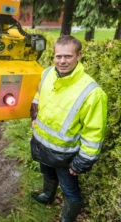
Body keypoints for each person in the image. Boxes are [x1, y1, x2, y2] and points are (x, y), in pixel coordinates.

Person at [30, 35, 107, 222]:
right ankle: (47, 196)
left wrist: (83, 161)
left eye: (68, 56)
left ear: (79, 56)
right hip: (43, 145)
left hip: (66, 155)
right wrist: (34, 114)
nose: (62, 61)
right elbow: (39, 95)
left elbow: (94, 132)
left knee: (70, 190)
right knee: (47, 172)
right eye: (58, 56)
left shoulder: (92, 92)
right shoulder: (47, 73)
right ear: (53, 56)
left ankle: (67, 219)